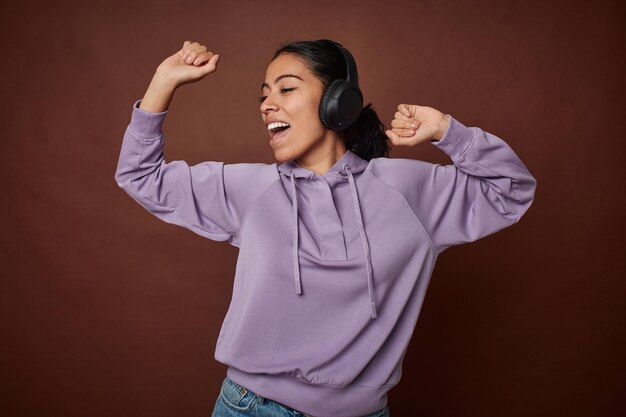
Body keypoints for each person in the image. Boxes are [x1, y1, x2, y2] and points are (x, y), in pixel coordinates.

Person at [115, 39, 536, 417]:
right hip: (249, 408)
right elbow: (140, 176)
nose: (266, 105)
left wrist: (447, 131)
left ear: (339, 101)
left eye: (286, 88)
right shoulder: (250, 190)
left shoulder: (408, 191)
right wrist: (162, 83)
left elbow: (512, 190)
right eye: (264, 95)